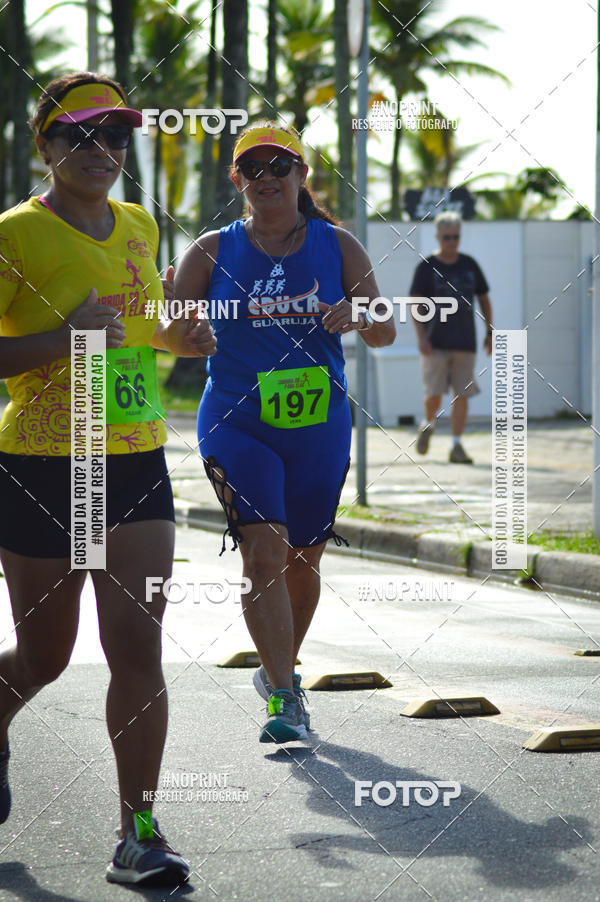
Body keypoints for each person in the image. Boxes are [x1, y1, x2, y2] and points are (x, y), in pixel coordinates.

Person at [0, 72, 215, 885]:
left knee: (138, 651)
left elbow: (145, 318)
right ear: (46, 146)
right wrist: (62, 339)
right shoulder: (14, 234)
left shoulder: (137, 224)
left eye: (115, 135)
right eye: (79, 136)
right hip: (41, 467)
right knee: (45, 659)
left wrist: (181, 340)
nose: (100, 151)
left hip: (130, 458)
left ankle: (140, 837)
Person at [174, 123, 395, 744]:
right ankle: (282, 694)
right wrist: (188, 332)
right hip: (236, 419)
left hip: (318, 422)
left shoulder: (338, 244)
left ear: (301, 176)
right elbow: (173, 329)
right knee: (262, 551)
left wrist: (361, 315)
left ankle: (282, 671)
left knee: (303, 556)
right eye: (253, 169)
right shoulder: (212, 249)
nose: (267, 178)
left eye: (280, 166)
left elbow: (385, 330)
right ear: (239, 181)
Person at [409, 211, 493, 463]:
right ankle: (428, 423)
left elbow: (484, 298)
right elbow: (416, 303)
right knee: (434, 393)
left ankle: (457, 445)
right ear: (438, 236)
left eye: (455, 236)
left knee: (462, 394)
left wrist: (490, 331)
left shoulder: (469, 264)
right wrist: (421, 336)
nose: (451, 242)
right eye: (446, 237)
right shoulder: (427, 267)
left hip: (465, 342)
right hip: (435, 342)